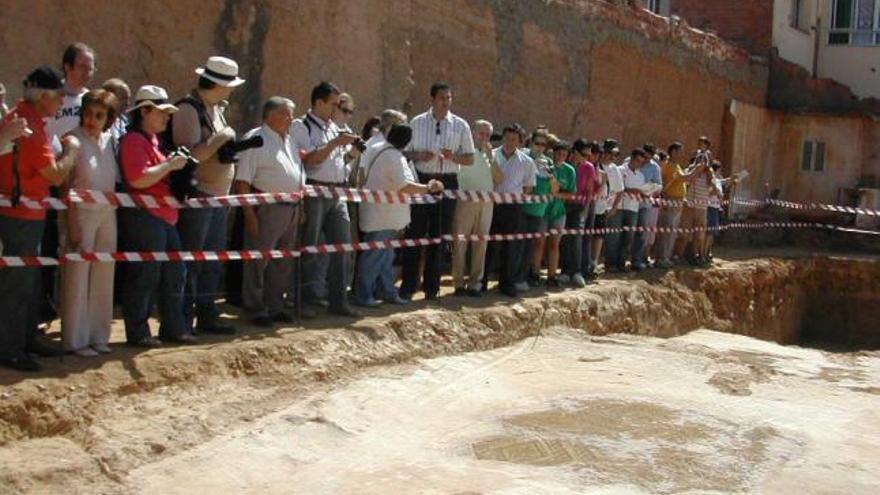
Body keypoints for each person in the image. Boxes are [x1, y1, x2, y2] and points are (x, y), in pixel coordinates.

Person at [0, 66, 80, 371]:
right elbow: (56, 174)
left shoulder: (28, 119)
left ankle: (24, 339)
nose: (62, 102)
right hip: (20, 216)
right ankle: (10, 348)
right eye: (59, 95)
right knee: (16, 284)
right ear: (45, 96)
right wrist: (72, 149)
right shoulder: (27, 125)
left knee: (28, 282)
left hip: (27, 212)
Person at [118, 85, 194, 347]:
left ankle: (173, 327)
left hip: (163, 215)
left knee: (175, 271)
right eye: (161, 112)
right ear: (145, 111)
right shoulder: (133, 140)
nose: (166, 117)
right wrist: (170, 165)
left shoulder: (152, 141)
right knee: (146, 273)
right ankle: (138, 331)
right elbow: (137, 179)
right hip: (145, 215)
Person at [172, 56, 243, 336]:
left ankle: (206, 314)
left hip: (216, 198)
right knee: (191, 261)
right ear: (220, 84)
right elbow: (190, 156)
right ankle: (183, 318)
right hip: (198, 196)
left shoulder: (214, 109)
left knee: (211, 261)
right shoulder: (188, 110)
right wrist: (222, 137)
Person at [234, 97, 309, 326]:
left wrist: (301, 206)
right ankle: (255, 308)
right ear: (271, 115)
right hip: (266, 209)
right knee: (258, 259)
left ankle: (274, 305)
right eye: (287, 113)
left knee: (282, 261)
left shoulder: (290, 141)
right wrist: (249, 215)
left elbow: (297, 174)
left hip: (291, 208)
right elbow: (242, 182)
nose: (291, 118)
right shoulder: (256, 140)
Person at [400, 82, 475, 301]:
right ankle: (408, 285)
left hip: (448, 181)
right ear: (432, 99)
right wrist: (418, 155)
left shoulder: (460, 125)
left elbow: (470, 158)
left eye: (449, 98)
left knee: (439, 235)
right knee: (415, 233)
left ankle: (432, 287)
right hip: (422, 179)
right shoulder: (417, 122)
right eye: (442, 98)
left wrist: (454, 157)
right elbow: (404, 152)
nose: (445, 102)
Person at [355, 124, 443, 307]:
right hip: (382, 217)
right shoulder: (392, 156)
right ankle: (363, 296)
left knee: (385, 257)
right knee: (374, 257)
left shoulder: (384, 151)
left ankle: (386, 291)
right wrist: (429, 188)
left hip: (384, 215)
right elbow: (404, 186)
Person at [292, 81, 360, 317]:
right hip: (315, 191)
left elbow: (339, 163)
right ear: (318, 102)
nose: (337, 108)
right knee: (309, 247)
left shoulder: (333, 127)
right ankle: (305, 300)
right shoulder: (300, 126)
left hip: (337, 191)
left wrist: (349, 152)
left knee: (342, 246)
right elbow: (309, 160)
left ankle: (338, 300)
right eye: (333, 104)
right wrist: (334, 144)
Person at [60, 89, 119, 357]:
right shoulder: (72, 139)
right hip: (81, 212)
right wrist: (71, 222)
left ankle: (98, 335)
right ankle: (75, 340)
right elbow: (66, 186)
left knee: (103, 275)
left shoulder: (110, 141)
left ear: (108, 118)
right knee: (77, 276)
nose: (92, 120)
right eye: (88, 113)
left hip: (107, 213)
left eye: (99, 115)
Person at [482, 124, 535, 297]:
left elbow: (528, 187)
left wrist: (517, 201)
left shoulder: (526, 162)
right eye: (507, 138)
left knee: (510, 246)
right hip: (492, 204)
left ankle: (506, 283)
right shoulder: (491, 155)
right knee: (488, 244)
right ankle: (481, 282)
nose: (510, 142)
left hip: (513, 207)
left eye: (514, 139)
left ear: (520, 141)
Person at [451, 120, 503, 297]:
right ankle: (458, 282)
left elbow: (499, 179)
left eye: (488, 135)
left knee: (481, 242)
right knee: (460, 242)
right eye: (481, 133)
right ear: (473, 133)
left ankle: (475, 283)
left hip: (486, 203)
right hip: (466, 201)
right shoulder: (463, 151)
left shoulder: (494, 155)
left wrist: (491, 158)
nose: (484, 138)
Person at [604, 149, 650, 272]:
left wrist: (645, 194)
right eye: (637, 160)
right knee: (614, 236)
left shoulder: (641, 175)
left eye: (642, 162)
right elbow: (616, 188)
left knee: (628, 237)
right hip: (618, 207)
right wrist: (631, 191)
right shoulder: (619, 170)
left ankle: (621, 263)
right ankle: (611, 264)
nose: (639, 164)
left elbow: (640, 191)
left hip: (633, 208)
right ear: (632, 158)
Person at [559, 139, 597, 287]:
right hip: (562, 205)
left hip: (578, 206)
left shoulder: (588, 168)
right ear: (574, 152)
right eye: (584, 154)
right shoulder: (565, 165)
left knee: (576, 239)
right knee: (563, 239)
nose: (587, 158)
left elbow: (589, 191)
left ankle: (576, 272)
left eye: (589, 155)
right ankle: (564, 271)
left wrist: (586, 211)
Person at [520, 129, 553, 291]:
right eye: (537, 143)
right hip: (521, 207)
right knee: (517, 244)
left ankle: (523, 277)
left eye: (543, 144)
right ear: (531, 142)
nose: (540, 147)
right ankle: (512, 278)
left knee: (529, 246)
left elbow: (553, 189)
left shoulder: (548, 162)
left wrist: (550, 174)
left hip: (538, 210)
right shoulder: (523, 157)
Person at [674, 152, 719, 267]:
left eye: (704, 160)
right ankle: (677, 255)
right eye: (700, 160)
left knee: (699, 235)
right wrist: (695, 171)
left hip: (702, 208)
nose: (702, 163)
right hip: (688, 207)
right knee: (684, 233)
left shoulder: (710, 174)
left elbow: (714, 189)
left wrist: (711, 180)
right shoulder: (690, 170)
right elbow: (685, 180)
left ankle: (694, 256)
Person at [542, 140, 577, 287]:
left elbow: (571, 194)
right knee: (538, 242)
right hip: (542, 210)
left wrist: (557, 195)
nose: (560, 157)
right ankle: (534, 274)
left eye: (564, 154)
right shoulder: (546, 166)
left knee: (554, 244)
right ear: (553, 153)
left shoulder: (569, 171)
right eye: (558, 153)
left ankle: (551, 275)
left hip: (559, 211)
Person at [46, 43, 96, 141]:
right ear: (67, 67)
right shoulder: (49, 98)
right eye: (82, 67)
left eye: (90, 69)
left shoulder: (92, 100)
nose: (87, 73)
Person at [590, 139, 624, 274]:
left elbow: (620, 190)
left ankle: (594, 262)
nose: (612, 157)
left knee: (598, 236)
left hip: (602, 207)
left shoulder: (614, 169)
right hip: (589, 206)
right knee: (587, 236)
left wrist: (614, 207)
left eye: (615, 155)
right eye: (610, 153)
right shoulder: (594, 165)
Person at [655, 142, 687, 268]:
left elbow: (685, 178)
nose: (681, 154)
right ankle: (661, 257)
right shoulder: (668, 166)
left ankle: (666, 257)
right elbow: (665, 185)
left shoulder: (677, 165)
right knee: (666, 230)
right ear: (673, 152)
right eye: (679, 151)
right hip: (670, 201)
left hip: (678, 201)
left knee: (672, 232)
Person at [632, 143, 662, 270]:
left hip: (644, 203)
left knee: (641, 233)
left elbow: (659, 186)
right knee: (626, 232)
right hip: (629, 203)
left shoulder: (655, 168)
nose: (648, 158)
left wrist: (649, 191)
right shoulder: (630, 161)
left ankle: (637, 260)